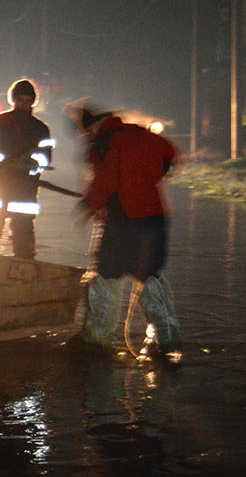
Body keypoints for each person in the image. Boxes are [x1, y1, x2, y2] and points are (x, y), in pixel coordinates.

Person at [70, 102, 184, 358]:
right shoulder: (140, 133)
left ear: (94, 126)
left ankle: (98, 341)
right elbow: (172, 154)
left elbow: (106, 180)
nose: (88, 137)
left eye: (87, 132)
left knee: (108, 276)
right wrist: (148, 180)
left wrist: (89, 206)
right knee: (150, 277)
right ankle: (168, 342)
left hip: (124, 221)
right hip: (155, 219)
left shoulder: (105, 142)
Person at [0, 77, 55, 260]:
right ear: (13, 100)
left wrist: (30, 163)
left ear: (33, 101)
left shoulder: (40, 129)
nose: (23, 105)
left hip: (24, 192)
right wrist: (0, 162)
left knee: (24, 239)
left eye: (27, 101)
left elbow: (45, 157)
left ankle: (25, 275)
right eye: (20, 100)